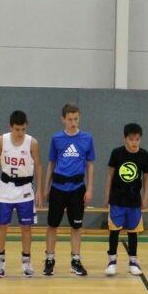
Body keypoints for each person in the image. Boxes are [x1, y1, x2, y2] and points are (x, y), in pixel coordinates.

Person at [0, 110, 42, 278]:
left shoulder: (32, 142)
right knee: (2, 225)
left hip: (25, 189)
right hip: (6, 188)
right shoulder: (1, 141)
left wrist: (39, 189)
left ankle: (26, 263)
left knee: (26, 227)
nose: (20, 132)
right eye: (17, 129)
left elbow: (38, 165)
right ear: (10, 127)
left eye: (23, 129)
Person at [44, 103, 95, 276]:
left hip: (77, 188)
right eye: (70, 119)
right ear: (63, 119)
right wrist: (46, 187)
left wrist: (90, 189)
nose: (73, 123)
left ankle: (75, 260)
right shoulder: (56, 138)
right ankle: (49, 259)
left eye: (76, 119)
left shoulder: (87, 138)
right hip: (58, 187)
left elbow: (90, 164)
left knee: (76, 226)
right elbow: (51, 163)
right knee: (52, 225)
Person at [103, 123, 148, 276]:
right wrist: (107, 195)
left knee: (133, 232)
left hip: (134, 199)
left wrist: (145, 197)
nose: (134, 142)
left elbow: (146, 178)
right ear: (124, 138)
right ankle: (112, 261)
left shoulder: (144, 155)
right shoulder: (117, 153)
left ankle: (133, 262)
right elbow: (110, 174)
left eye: (137, 139)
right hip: (117, 198)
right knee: (114, 231)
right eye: (131, 139)